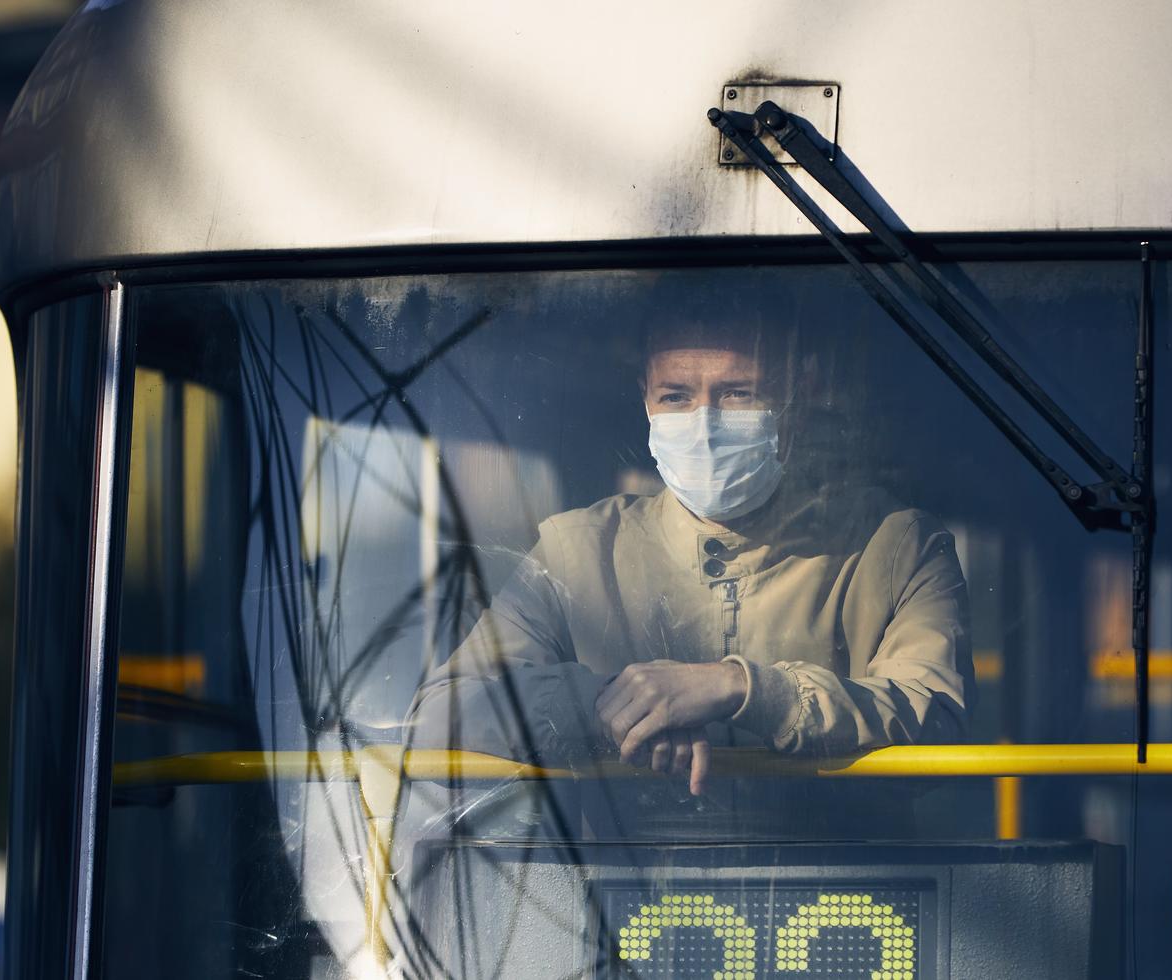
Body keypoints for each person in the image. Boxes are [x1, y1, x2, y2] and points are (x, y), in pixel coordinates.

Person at [405, 310, 973, 809]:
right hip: (620, 904)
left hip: (846, 907)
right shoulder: (575, 549)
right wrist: (612, 705)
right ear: (645, 399)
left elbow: (938, 721)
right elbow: (441, 714)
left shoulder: (895, 546)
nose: (704, 423)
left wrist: (745, 690)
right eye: (676, 396)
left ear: (798, 396)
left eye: (738, 393)